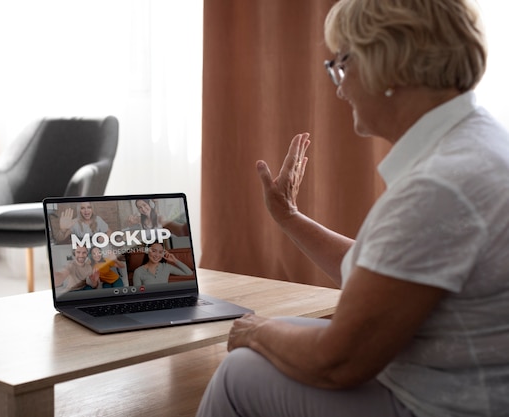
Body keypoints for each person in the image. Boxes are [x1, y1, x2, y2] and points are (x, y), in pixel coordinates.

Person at [196, 1, 509, 416]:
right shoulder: (478, 143)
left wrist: (256, 333)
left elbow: (338, 361)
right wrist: (288, 216)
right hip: (460, 379)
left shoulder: (440, 183)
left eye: (342, 62)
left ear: (389, 61)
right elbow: (383, 277)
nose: (339, 86)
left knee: (240, 371)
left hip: (442, 403)